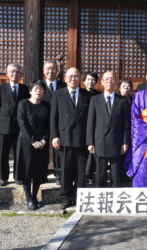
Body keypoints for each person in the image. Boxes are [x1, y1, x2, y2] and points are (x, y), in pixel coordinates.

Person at [50, 67, 92, 209]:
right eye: (70, 76)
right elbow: (53, 118)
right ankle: (65, 197)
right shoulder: (58, 94)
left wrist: (90, 140)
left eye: (76, 76)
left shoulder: (87, 95)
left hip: (81, 138)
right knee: (66, 170)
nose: (73, 79)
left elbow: (90, 120)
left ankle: (80, 197)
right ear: (65, 78)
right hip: (64, 137)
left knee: (81, 171)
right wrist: (54, 136)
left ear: (80, 78)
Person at [86, 71, 130, 187]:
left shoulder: (122, 100)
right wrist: (90, 142)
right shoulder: (95, 100)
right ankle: (101, 199)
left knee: (116, 175)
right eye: (106, 79)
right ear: (102, 83)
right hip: (100, 141)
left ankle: (115, 199)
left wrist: (125, 142)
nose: (109, 82)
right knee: (100, 174)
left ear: (115, 82)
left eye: (112, 79)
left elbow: (126, 124)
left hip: (117, 141)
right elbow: (91, 123)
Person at [0, 63, 30, 186]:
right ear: (7, 74)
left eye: (17, 72)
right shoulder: (1, 88)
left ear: (21, 75)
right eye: (12, 71)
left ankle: (18, 176)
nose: (14, 74)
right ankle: (3, 177)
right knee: (3, 153)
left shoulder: (25, 89)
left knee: (19, 152)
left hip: (19, 126)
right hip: (4, 125)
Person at [16, 80, 50, 210]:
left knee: (38, 171)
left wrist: (43, 140)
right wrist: (32, 141)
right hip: (26, 142)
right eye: (36, 88)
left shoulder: (46, 106)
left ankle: (35, 196)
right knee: (26, 170)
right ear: (30, 91)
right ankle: (29, 198)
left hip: (41, 144)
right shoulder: (23, 104)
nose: (38, 91)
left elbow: (48, 125)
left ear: (44, 92)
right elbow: (22, 123)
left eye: (41, 89)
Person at [41, 60, 67, 185]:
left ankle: (58, 174)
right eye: (48, 69)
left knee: (58, 148)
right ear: (43, 71)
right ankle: (42, 172)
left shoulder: (63, 86)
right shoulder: (39, 85)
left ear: (57, 71)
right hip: (42, 121)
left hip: (59, 121)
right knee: (43, 147)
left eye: (53, 69)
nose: (50, 71)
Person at [83, 71, 101, 185]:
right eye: (88, 79)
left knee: (92, 152)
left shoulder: (98, 95)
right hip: (82, 126)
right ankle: (83, 174)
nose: (91, 82)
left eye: (93, 80)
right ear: (84, 81)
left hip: (94, 127)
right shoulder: (80, 93)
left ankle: (90, 174)